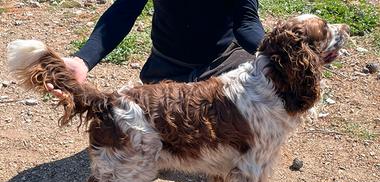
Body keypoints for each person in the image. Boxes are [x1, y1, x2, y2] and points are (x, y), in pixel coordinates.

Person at [48, 0, 265, 96]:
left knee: (248, 110)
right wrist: (83, 60)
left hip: (222, 63)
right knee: (163, 136)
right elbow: (124, 10)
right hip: (168, 68)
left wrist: (275, 52)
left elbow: (247, 23)